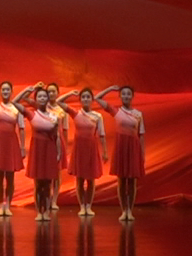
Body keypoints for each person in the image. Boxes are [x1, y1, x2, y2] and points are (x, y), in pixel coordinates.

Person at [0, 81, 39, 217]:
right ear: (0, 92)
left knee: (10, 177)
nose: (5, 92)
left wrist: (22, 147)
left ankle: (8, 205)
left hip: (11, 143)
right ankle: (1, 206)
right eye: (3, 90)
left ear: (11, 92)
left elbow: (21, 129)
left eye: (7, 90)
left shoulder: (16, 109)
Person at [96, 85, 145, 221]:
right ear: (120, 96)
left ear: (132, 96)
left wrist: (142, 154)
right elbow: (97, 98)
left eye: (128, 94)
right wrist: (110, 89)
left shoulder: (138, 114)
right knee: (122, 180)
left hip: (133, 148)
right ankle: (124, 211)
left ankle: (130, 210)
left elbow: (141, 135)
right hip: (121, 148)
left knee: (132, 181)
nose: (126, 96)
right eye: (123, 94)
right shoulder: (116, 111)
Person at [58, 88, 108, 216]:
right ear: (80, 100)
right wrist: (70, 93)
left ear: (92, 100)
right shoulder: (76, 113)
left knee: (91, 180)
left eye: (88, 97)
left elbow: (102, 134)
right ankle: (82, 206)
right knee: (79, 179)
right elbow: (58, 102)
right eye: (83, 97)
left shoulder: (97, 116)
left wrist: (105, 151)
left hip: (91, 149)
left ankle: (89, 206)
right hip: (79, 149)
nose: (86, 99)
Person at [20, 87, 62, 221]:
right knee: (38, 184)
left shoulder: (54, 117)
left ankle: (47, 212)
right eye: (39, 96)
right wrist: (28, 90)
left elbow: (56, 136)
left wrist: (59, 152)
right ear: (36, 99)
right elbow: (15, 102)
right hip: (37, 150)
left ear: (48, 99)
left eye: (44, 96)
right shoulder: (32, 114)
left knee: (48, 183)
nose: (42, 98)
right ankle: (39, 212)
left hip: (49, 150)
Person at [45, 83, 70, 210]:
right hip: (46, 142)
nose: (51, 94)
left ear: (58, 93)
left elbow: (65, 130)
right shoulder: (44, 107)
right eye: (49, 92)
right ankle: (47, 198)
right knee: (47, 173)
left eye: (53, 91)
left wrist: (65, 147)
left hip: (58, 143)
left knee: (57, 174)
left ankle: (54, 200)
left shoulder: (62, 110)